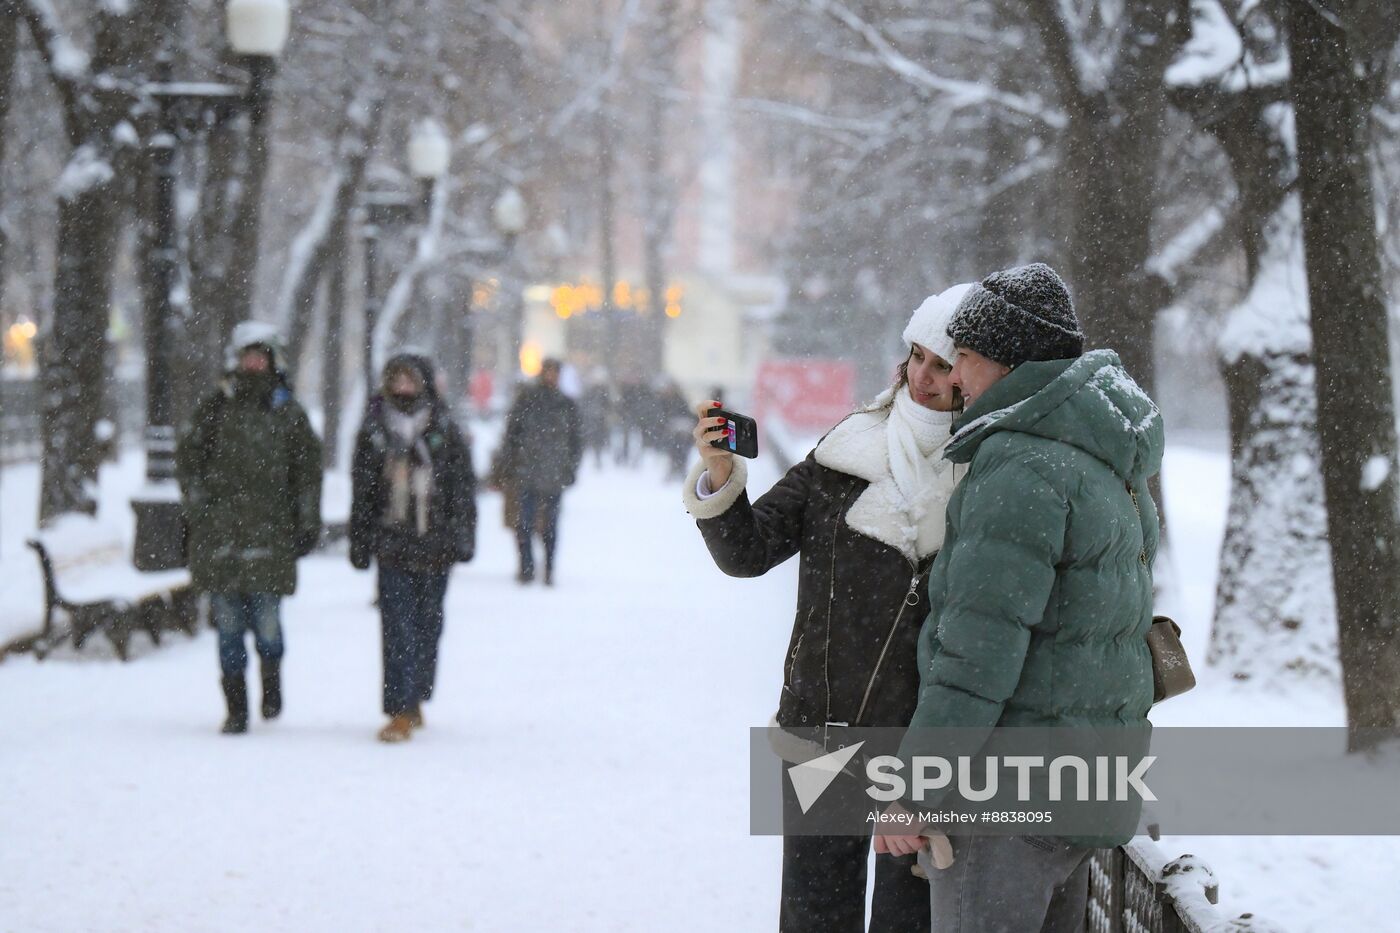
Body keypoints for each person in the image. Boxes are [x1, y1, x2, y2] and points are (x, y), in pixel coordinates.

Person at [871, 263, 1163, 933]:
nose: (953, 380)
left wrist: (914, 789)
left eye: (964, 359)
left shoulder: (1019, 465)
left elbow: (976, 654)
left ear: (1003, 362)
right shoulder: (1103, 458)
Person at [681, 284, 974, 933]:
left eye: (944, 364)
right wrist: (721, 474)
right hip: (822, 730)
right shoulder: (845, 452)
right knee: (816, 917)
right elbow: (748, 550)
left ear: (971, 375)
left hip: (923, 747)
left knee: (909, 921)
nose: (924, 377)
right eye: (917, 357)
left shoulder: (984, 477)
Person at [176, 321, 323, 735]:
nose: (254, 363)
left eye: (261, 356)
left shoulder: (287, 413)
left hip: (270, 538)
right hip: (221, 539)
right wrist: (200, 507)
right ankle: (236, 708)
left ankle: (271, 679)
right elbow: (188, 461)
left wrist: (305, 521)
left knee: (268, 626)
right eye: (248, 356)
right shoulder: (215, 408)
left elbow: (307, 472)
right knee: (227, 630)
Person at [350, 353, 477, 743]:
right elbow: (363, 491)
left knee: (428, 625)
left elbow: (461, 488)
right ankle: (399, 708)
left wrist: (464, 536)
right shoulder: (374, 431)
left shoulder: (446, 429)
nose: (403, 387)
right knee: (396, 627)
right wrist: (360, 539)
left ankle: (416, 694)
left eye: (410, 379)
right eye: (396, 379)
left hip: (435, 544)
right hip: (393, 543)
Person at [500, 357, 582, 585]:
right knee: (524, 523)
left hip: (553, 473)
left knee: (550, 526)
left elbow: (576, 441)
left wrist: (570, 468)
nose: (551, 376)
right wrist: (509, 465)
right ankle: (526, 567)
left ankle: (548, 568)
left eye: (555, 372)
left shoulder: (566, 404)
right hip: (527, 472)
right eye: (548, 371)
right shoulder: (526, 400)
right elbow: (511, 435)